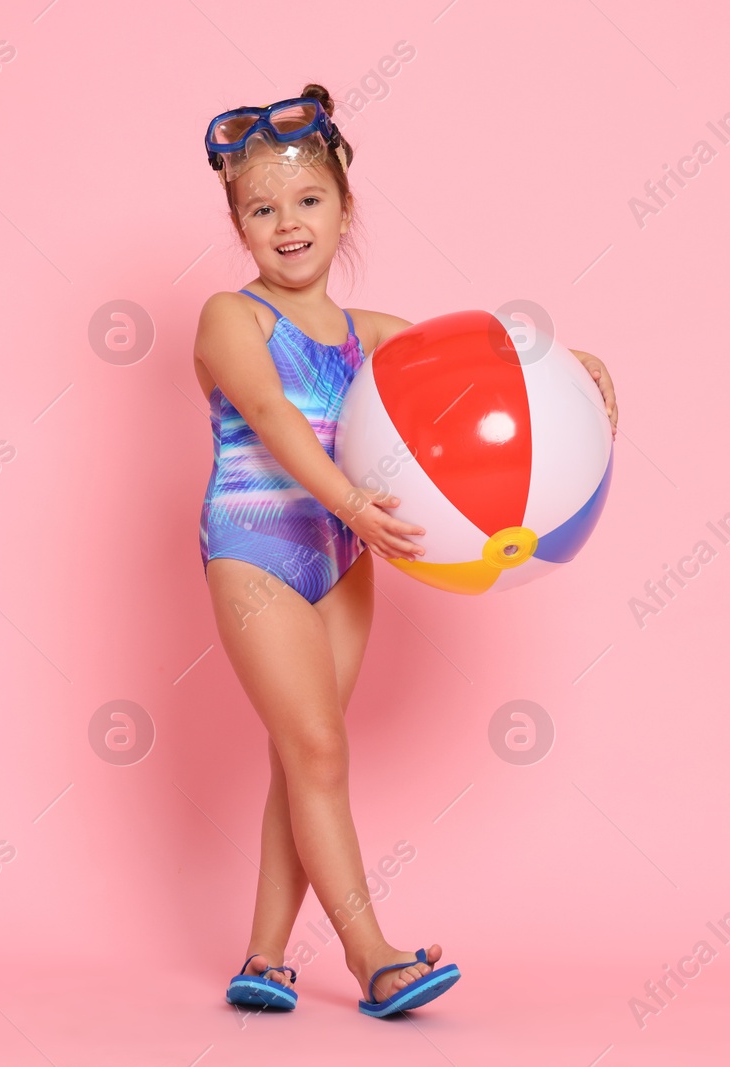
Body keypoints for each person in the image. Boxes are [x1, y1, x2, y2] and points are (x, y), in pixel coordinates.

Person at [193, 84, 620, 1018]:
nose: (288, 223)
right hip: (255, 552)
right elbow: (269, 412)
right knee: (317, 748)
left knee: (302, 759)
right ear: (240, 226)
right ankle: (373, 955)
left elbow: (480, 361)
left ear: (345, 209)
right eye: (262, 209)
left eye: (307, 203)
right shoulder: (232, 318)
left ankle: (264, 959)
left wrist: (576, 376)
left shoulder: (367, 337)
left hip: (343, 560)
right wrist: (350, 496)